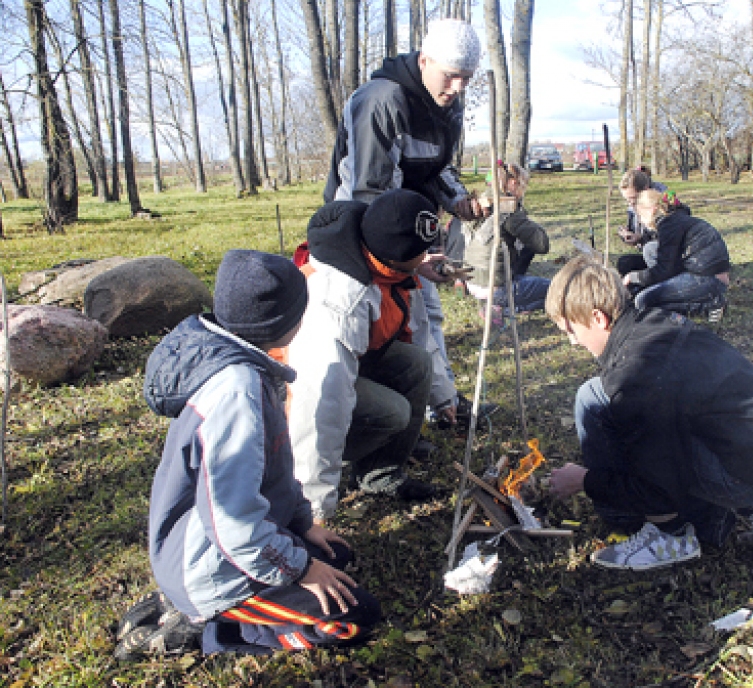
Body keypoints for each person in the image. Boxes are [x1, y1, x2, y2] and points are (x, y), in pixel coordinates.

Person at [130, 250, 380, 658]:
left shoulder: (245, 362)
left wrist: (303, 523)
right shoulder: (235, 394)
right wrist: (301, 568)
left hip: (230, 544)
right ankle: (212, 629)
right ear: (287, 322)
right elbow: (231, 519)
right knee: (355, 618)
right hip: (213, 567)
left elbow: (276, 470)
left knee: (339, 555)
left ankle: (202, 604)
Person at [545, 256, 753, 571]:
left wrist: (587, 480)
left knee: (639, 449)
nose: (572, 342)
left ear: (598, 318)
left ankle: (671, 535)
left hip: (741, 473)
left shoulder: (635, 378)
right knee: (592, 395)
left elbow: (658, 481)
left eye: (571, 330)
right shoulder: (650, 323)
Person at [323, 17, 494, 433]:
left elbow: (437, 169)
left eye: (466, 79)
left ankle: (442, 405)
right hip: (362, 237)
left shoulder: (448, 108)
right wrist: (411, 259)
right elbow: (369, 193)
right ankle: (387, 423)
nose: (458, 89)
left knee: (427, 316)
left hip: (411, 228)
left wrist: (459, 200)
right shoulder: (381, 101)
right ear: (424, 60)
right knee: (387, 327)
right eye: (451, 76)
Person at [282, 190, 443, 523]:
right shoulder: (339, 304)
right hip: (286, 388)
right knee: (393, 412)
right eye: (422, 251)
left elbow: (416, 330)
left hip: (348, 362)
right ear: (397, 259)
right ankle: (297, 480)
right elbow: (320, 405)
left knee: (415, 364)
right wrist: (313, 511)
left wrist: (445, 396)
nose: (428, 255)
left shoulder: (375, 251)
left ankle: (379, 474)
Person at [463, 162, 551, 325]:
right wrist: (527, 220)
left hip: (471, 281)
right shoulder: (506, 206)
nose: (523, 190)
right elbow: (542, 245)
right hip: (494, 286)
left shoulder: (477, 203)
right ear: (512, 183)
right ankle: (501, 306)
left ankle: (502, 306)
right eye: (522, 184)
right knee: (554, 289)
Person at [622, 189, 730, 320]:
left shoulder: (668, 225)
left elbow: (664, 270)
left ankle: (709, 306)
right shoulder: (674, 217)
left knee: (642, 301)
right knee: (650, 249)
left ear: (652, 210)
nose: (641, 221)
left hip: (708, 278)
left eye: (640, 216)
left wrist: (633, 277)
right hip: (704, 270)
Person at [615, 167, 669, 277]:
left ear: (645, 190)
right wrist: (628, 236)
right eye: (627, 200)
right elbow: (635, 231)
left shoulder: (663, 206)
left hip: (666, 260)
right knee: (624, 263)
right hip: (648, 254)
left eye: (633, 198)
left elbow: (665, 242)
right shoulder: (633, 208)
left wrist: (641, 238)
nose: (630, 203)